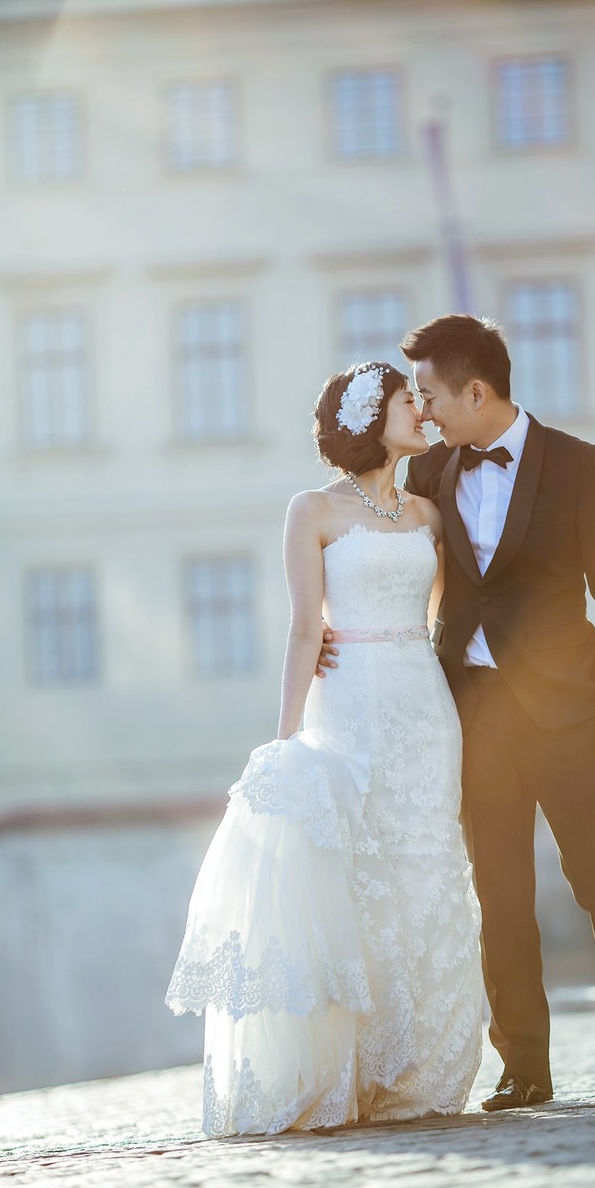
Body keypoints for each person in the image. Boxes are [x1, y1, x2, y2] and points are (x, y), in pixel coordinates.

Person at [320, 314, 595, 1107]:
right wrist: (326, 631)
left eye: (432, 395)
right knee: (500, 894)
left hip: (569, 711)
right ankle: (524, 1064)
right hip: (470, 713)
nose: (425, 409)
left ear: (476, 390)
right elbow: (382, 550)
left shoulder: (585, 466)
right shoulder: (430, 473)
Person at [166, 361, 483, 1136]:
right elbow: (305, 629)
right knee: (355, 872)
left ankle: (423, 1068)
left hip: (423, 708)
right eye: (411, 401)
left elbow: (446, 616)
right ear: (373, 415)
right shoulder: (310, 510)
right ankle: (355, 1069)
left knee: (427, 871)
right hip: (347, 709)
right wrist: (282, 743)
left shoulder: (429, 515)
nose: (424, 411)